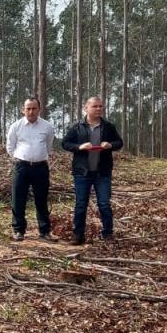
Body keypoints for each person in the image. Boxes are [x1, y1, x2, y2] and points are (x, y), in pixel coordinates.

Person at [61, 96, 123, 244]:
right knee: (81, 204)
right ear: (86, 108)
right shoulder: (77, 127)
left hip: (102, 172)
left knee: (104, 204)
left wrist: (111, 145)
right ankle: (78, 235)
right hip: (82, 172)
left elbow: (119, 142)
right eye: (95, 106)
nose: (99, 109)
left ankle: (107, 234)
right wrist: (79, 147)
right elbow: (65, 143)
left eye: (101, 106)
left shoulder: (108, 127)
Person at [5, 97, 55, 241]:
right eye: (28, 108)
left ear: (39, 109)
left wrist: (39, 156)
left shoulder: (47, 126)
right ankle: (18, 230)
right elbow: (10, 147)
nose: (31, 111)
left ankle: (44, 231)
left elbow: (48, 145)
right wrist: (20, 158)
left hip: (41, 168)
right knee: (18, 198)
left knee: (41, 199)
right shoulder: (16, 126)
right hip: (22, 167)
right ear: (23, 110)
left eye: (34, 108)